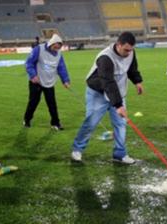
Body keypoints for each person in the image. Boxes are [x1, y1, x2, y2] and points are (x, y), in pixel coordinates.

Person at [71, 32, 143, 164]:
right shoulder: (105, 58)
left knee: (121, 125)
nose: (128, 53)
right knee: (91, 122)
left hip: (117, 93)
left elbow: (132, 68)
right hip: (97, 92)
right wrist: (119, 105)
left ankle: (119, 154)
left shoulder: (130, 52)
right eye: (126, 50)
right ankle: (77, 149)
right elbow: (108, 82)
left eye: (131, 50)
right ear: (118, 44)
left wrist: (137, 81)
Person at [23, 33, 70, 130]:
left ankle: (55, 123)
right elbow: (29, 63)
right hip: (36, 81)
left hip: (49, 82)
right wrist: (33, 75)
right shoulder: (39, 49)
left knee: (52, 103)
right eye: (55, 47)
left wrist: (65, 80)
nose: (56, 49)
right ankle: (27, 119)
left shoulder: (59, 54)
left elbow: (61, 68)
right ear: (51, 44)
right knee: (33, 102)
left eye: (58, 48)